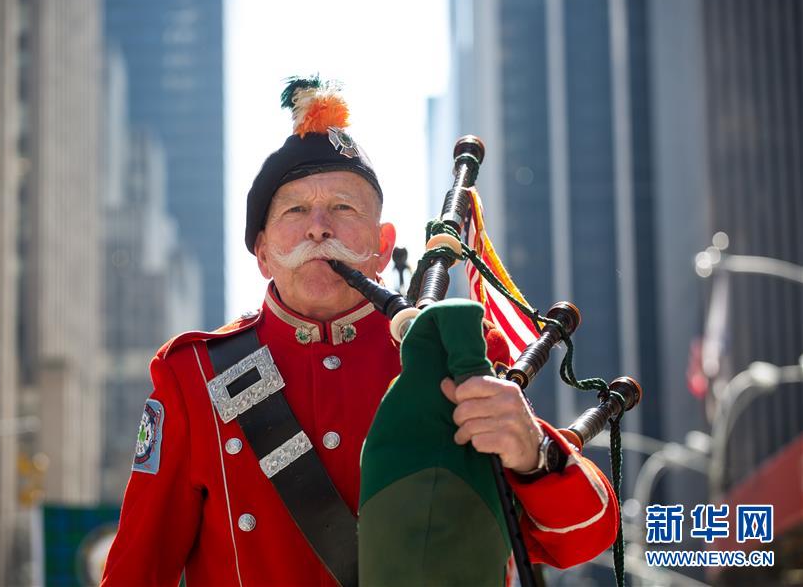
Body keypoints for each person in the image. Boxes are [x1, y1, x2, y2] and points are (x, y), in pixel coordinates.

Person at [102, 77, 618, 587]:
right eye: (295, 210)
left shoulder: (451, 350)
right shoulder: (193, 375)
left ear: (382, 242)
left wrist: (533, 453)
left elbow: (581, 539)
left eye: (344, 208)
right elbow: (136, 571)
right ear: (261, 253)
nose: (319, 227)